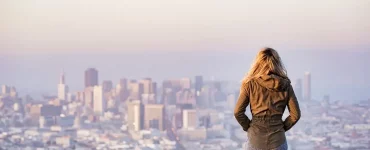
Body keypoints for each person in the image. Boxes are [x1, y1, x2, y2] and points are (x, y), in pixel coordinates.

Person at [234, 47, 301, 150]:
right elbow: (295, 115)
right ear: (277, 63)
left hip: (255, 140)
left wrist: (249, 127)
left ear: (257, 63)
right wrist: (281, 128)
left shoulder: (250, 84)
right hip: (278, 141)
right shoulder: (286, 85)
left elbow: (238, 112)